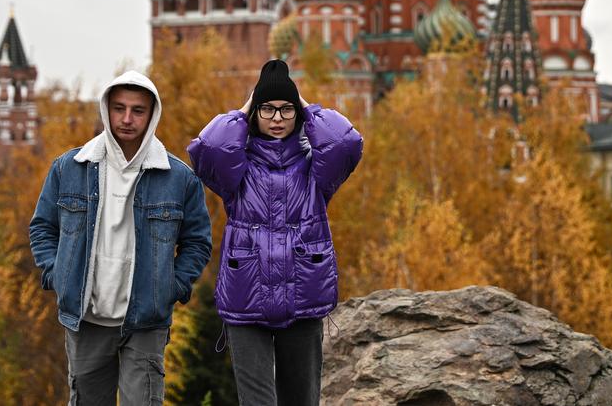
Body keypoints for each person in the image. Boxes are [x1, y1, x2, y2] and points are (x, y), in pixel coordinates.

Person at [187, 59, 363, 406]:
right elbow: (208, 149)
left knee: (302, 399)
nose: (277, 118)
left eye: (286, 110)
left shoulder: (316, 169)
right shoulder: (236, 170)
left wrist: (307, 107)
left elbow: (345, 143)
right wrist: (243, 109)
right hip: (246, 295)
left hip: (304, 294)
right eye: (268, 109)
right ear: (256, 113)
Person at [30, 71, 212, 406]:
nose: (127, 119)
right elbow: (42, 228)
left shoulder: (179, 178)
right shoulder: (70, 168)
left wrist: (172, 287)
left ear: (152, 114)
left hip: (145, 320)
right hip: (86, 319)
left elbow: (198, 242)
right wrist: (59, 276)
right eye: (119, 108)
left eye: (138, 110)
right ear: (106, 110)